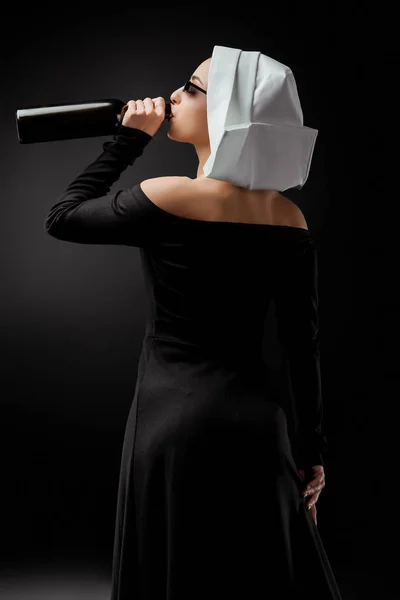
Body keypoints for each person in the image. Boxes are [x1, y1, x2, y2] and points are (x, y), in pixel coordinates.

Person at [44, 50, 343, 599]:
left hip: (172, 420)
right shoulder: (288, 216)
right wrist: (311, 452)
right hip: (258, 425)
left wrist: (129, 140)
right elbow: (305, 343)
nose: (174, 95)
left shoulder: (169, 195)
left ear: (227, 110)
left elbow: (62, 218)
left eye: (192, 86)